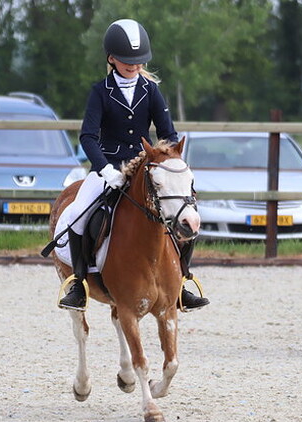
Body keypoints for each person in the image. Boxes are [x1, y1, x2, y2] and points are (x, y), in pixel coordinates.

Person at [58, 18, 209, 313]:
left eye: (138, 61)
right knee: (76, 214)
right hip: (109, 167)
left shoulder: (150, 90)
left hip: (146, 167)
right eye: (127, 61)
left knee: (186, 213)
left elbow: (168, 134)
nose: (134, 66)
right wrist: (105, 169)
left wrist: (168, 163)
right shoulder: (100, 92)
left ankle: (181, 283)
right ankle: (79, 284)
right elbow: (87, 136)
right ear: (112, 59)